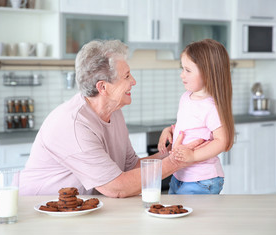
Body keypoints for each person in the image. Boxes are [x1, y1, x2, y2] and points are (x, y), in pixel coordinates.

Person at [19, 39, 203, 197]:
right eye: (127, 76)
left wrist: (171, 153)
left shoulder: (114, 111)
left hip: (79, 210)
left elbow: (130, 166)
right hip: (41, 211)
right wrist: (178, 161)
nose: (134, 81)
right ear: (103, 88)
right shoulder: (74, 124)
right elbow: (117, 188)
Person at [158, 39, 235, 195]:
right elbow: (189, 126)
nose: (182, 75)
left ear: (207, 72)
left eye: (187, 70)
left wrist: (193, 155)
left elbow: (222, 141)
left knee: (192, 218)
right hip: (179, 175)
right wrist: (170, 130)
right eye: (182, 69)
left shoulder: (212, 107)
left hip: (202, 180)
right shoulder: (186, 97)